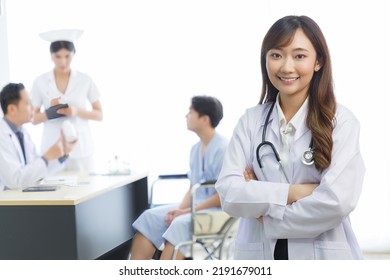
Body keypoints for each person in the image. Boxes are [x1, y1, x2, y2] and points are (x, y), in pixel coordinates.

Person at [215, 15, 365, 260]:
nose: (286, 67)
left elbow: (336, 202)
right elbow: (230, 194)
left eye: (299, 56)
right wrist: (295, 192)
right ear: (265, 59)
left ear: (318, 62)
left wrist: (266, 212)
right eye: (276, 55)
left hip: (323, 256)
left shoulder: (342, 122)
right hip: (258, 254)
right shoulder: (251, 122)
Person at [130, 96, 228, 260]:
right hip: (195, 206)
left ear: (204, 119)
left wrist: (185, 212)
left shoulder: (224, 149)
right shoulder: (195, 149)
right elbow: (192, 187)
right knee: (150, 217)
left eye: (190, 112)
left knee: (179, 223)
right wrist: (178, 210)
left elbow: (223, 195)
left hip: (218, 211)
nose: (186, 116)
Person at [30, 29, 103, 171]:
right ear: (51, 56)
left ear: (74, 54)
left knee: (85, 190)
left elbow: (99, 114)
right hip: (52, 148)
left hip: (81, 148)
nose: (63, 61)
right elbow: (33, 118)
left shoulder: (85, 80)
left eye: (67, 56)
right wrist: (51, 113)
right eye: (58, 56)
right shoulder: (40, 81)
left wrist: (76, 111)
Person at [0, 83, 75, 191]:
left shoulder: (23, 133)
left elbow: (36, 172)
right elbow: (14, 180)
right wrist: (48, 156)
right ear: (12, 109)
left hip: (19, 198)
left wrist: (62, 153)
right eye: (28, 103)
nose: (33, 107)